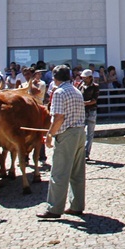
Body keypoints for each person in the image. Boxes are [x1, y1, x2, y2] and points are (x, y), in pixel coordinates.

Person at [37, 65, 86, 218]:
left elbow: (59, 117)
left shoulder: (59, 92)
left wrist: (50, 134)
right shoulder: (76, 90)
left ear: (55, 78)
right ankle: (77, 205)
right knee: (77, 172)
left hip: (66, 134)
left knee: (59, 172)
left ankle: (54, 209)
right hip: (79, 132)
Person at [79, 69, 100, 161]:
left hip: (91, 110)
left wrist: (84, 103)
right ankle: (80, 151)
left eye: (85, 78)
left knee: (89, 133)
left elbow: (94, 100)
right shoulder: (80, 85)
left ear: (90, 78)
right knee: (80, 132)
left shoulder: (95, 87)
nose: (83, 79)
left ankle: (86, 153)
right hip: (82, 111)